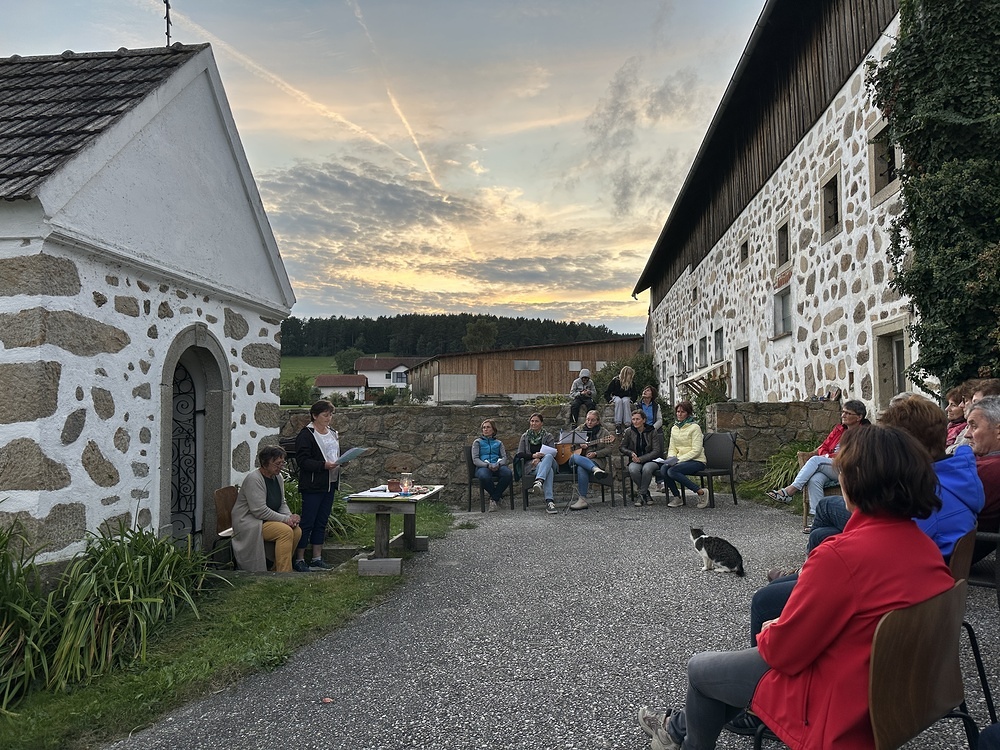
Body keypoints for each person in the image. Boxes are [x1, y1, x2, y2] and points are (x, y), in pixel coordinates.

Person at [637, 425, 953, 750]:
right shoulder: (926, 549)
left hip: (835, 707)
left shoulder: (839, 556)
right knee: (732, 671)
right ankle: (676, 728)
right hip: (898, 697)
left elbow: (782, 654)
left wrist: (773, 630)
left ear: (854, 481)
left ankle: (676, 735)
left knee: (701, 670)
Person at [752, 393, 983, 648]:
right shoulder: (948, 482)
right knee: (819, 536)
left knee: (765, 600)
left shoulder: (924, 505)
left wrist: (790, 618)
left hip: (882, 606)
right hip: (908, 603)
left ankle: (804, 569)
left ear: (903, 448)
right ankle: (805, 570)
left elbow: (876, 557)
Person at [766, 398, 869, 514]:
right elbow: (824, 447)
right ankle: (818, 517)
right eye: (843, 412)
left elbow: (853, 454)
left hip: (850, 469)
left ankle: (790, 491)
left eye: (848, 413)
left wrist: (829, 457)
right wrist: (828, 456)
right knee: (815, 479)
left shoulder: (865, 432)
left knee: (815, 460)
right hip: (832, 465)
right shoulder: (839, 429)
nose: (843, 415)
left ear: (859, 417)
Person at [231, 446, 301, 573]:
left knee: (296, 530)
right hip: (249, 521)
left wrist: (290, 518)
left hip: (266, 520)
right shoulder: (254, 479)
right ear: (265, 463)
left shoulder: (278, 477)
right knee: (285, 531)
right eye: (277, 463)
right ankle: (284, 574)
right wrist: (285, 520)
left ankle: (277, 568)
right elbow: (259, 511)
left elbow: (281, 503)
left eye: (282, 463)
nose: (281, 467)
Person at [294, 400, 342, 572]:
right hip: (313, 484)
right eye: (325, 415)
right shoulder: (306, 435)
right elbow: (303, 461)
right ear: (314, 416)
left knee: (322, 521)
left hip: (330, 483)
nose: (328, 418)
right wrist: (323, 465)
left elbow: (335, 454)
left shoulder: (333, 433)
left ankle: (317, 558)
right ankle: (299, 558)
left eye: (330, 415)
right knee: (308, 521)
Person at [966, 395, 1000, 562]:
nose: (967, 434)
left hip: (949, 552)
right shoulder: (983, 464)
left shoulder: (987, 470)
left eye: (974, 426)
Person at [659, 401, 708, 509]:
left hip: (697, 461)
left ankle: (700, 492)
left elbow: (696, 450)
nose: (679, 414)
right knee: (664, 469)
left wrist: (678, 460)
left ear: (688, 413)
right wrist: (671, 459)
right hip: (679, 461)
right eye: (678, 411)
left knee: (672, 471)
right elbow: (672, 448)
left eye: (682, 412)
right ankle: (677, 497)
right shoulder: (674, 428)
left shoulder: (695, 427)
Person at [567, 410, 614, 511]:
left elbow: (609, 449)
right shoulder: (580, 429)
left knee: (581, 468)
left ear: (598, 421)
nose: (589, 422)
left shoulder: (604, 432)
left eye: (592, 420)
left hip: (595, 460)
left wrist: (595, 453)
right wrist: (579, 443)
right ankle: (595, 469)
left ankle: (582, 500)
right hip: (575, 460)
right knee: (574, 457)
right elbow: (567, 439)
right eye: (588, 419)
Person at [515, 412, 558, 515]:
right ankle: (549, 502)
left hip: (549, 462)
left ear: (541, 423)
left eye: (536, 421)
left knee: (548, 456)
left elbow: (553, 453)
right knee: (549, 471)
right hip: (533, 466)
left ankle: (539, 480)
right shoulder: (525, 436)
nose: (533, 423)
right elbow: (520, 454)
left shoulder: (548, 436)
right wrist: (533, 456)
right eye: (532, 421)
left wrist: (540, 458)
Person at [620, 409, 664, 506]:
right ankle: (646, 493)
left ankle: (641, 495)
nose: (635, 421)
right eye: (633, 419)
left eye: (638, 419)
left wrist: (642, 459)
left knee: (647, 469)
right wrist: (630, 453)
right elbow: (622, 447)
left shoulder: (652, 431)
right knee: (633, 470)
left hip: (651, 460)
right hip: (635, 459)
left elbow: (656, 450)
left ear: (643, 420)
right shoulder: (629, 431)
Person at [472, 418, 512, 512]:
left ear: (493, 430)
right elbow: (475, 459)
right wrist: (487, 465)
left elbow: (504, 457)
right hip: (483, 466)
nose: (485, 429)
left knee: (508, 474)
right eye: (484, 428)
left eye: (488, 427)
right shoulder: (477, 442)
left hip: (497, 465)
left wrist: (498, 464)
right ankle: (497, 497)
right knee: (484, 476)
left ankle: (494, 498)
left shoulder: (499, 443)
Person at [604, 365, 637, 434]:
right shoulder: (615, 381)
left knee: (626, 401)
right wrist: (609, 400)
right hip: (616, 397)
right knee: (618, 401)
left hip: (626, 397)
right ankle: (618, 424)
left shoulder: (631, 383)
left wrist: (632, 400)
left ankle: (628, 423)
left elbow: (635, 394)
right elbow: (607, 392)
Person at [945, 384, 968, 448]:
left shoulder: (965, 430)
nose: (947, 409)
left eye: (953, 405)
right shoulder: (950, 426)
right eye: (948, 404)